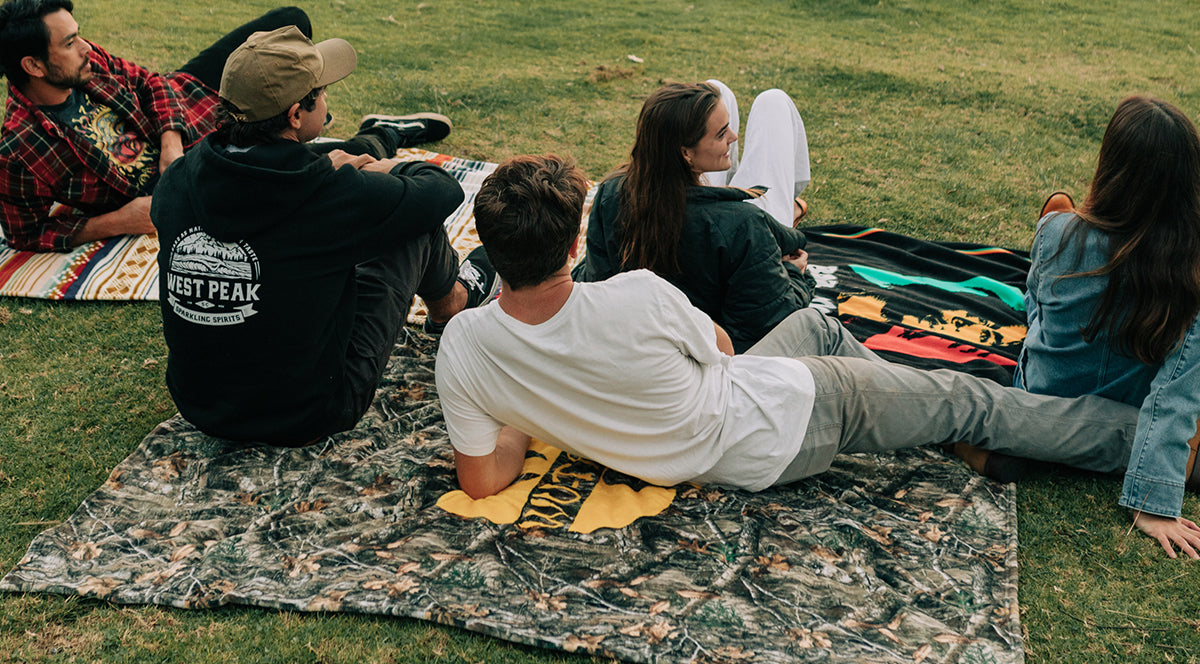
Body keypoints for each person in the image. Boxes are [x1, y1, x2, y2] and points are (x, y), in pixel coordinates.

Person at [435, 155, 1169, 550]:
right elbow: (720, 349)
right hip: (775, 425)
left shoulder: (465, 348)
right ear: (571, 243)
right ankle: (1145, 446)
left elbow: (482, 478)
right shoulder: (635, 296)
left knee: (819, 326)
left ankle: (948, 435)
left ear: (490, 249)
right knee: (968, 397)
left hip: (717, 415)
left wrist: (527, 404)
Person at [151, 25, 496, 446]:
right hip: (311, 411)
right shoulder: (325, 196)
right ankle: (452, 305)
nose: (329, 96)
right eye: (324, 90)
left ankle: (383, 134)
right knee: (411, 223)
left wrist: (331, 165)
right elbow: (441, 189)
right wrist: (372, 170)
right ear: (296, 115)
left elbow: (265, 177)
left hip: (201, 404)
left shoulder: (179, 178)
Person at [0, 0, 450, 252]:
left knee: (290, 23)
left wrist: (170, 141)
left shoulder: (86, 60)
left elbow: (152, 83)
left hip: (192, 102)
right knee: (335, 161)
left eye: (79, 35)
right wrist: (117, 220)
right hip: (211, 163)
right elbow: (24, 232)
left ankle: (298, 108)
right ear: (34, 66)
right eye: (71, 41)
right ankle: (387, 132)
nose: (85, 47)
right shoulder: (18, 148)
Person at [1016, 95, 1200, 558]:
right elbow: (1175, 394)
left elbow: (1037, 303)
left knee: (1045, 285)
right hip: (1128, 414)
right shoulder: (1191, 274)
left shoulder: (1056, 234)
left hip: (1040, 399)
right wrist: (1153, 503)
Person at [575, 80, 814, 352]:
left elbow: (595, 283)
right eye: (722, 133)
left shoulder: (612, 194)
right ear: (686, 153)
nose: (733, 137)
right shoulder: (745, 225)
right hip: (718, 354)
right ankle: (783, 205)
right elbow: (766, 321)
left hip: (697, 217)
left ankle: (747, 190)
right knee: (774, 102)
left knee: (715, 88)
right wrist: (795, 276)